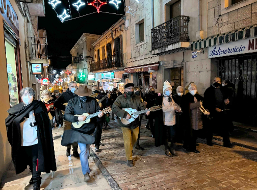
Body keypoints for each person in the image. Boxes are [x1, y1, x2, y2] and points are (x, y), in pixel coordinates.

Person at [5, 87, 56, 190]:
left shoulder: (39, 106)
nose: (26, 97)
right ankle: (34, 176)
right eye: (24, 95)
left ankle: (36, 181)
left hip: (36, 140)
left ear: (33, 96)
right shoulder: (18, 108)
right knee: (29, 161)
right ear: (21, 97)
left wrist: (35, 119)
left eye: (29, 95)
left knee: (35, 160)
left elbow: (45, 121)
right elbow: (10, 122)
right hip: (24, 141)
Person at [63, 85, 104, 182]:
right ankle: (85, 172)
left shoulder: (93, 101)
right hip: (79, 131)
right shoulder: (72, 102)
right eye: (82, 95)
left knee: (87, 150)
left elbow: (97, 117)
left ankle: (86, 167)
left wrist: (100, 115)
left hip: (90, 130)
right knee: (84, 150)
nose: (84, 96)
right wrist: (77, 118)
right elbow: (67, 116)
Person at [112, 83, 149, 167]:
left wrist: (146, 110)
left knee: (135, 138)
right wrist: (124, 114)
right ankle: (129, 158)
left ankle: (130, 148)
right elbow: (114, 108)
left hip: (135, 122)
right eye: (129, 89)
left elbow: (142, 107)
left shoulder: (137, 98)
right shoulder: (120, 98)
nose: (131, 90)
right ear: (125, 90)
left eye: (132, 88)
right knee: (127, 140)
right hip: (124, 123)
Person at [204, 77, 232, 147]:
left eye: (218, 81)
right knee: (211, 127)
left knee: (225, 128)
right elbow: (206, 102)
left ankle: (226, 143)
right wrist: (214, 108)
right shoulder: (208, 90)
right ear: (213, 81)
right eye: (215, 81)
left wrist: (226, 101)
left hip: (222, 111)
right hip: (213, 112)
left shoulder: (223, 89)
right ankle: (209, 141)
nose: (217, 82)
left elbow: (226, 97)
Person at [181, 82, 208, 153]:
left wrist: (206, 111)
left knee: (195, 134)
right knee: (189, 134)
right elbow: (187, 107)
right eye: (192, 88)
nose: (194, 90)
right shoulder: (186, 97)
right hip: (190, 119)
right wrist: (197, 104)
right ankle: (188, 147)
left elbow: (203, 105)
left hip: (197, 118)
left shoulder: (198, 96)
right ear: (189, 89)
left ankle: (192, 147)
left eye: (195, 88)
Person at [54, 81, 79, 157]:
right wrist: (65, 108)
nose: (74, 88)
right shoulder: (64, 95)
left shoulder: (78, 95)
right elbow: (56, 103)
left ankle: (75, 150)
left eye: (75, 86)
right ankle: (68, 149)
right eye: (72, 86)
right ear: (69, 87)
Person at [162, 81, 181, 157]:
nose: (168, 91)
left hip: (172, 119)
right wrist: (173, 108)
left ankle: (172, 147)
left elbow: (175, 105)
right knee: (166, 135)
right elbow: (164, 109)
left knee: (173, 134)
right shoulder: (163, 98)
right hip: (165, 120)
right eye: (167, 89)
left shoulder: (171, 98)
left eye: (170, 89)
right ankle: (167, 148)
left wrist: (178, 109)